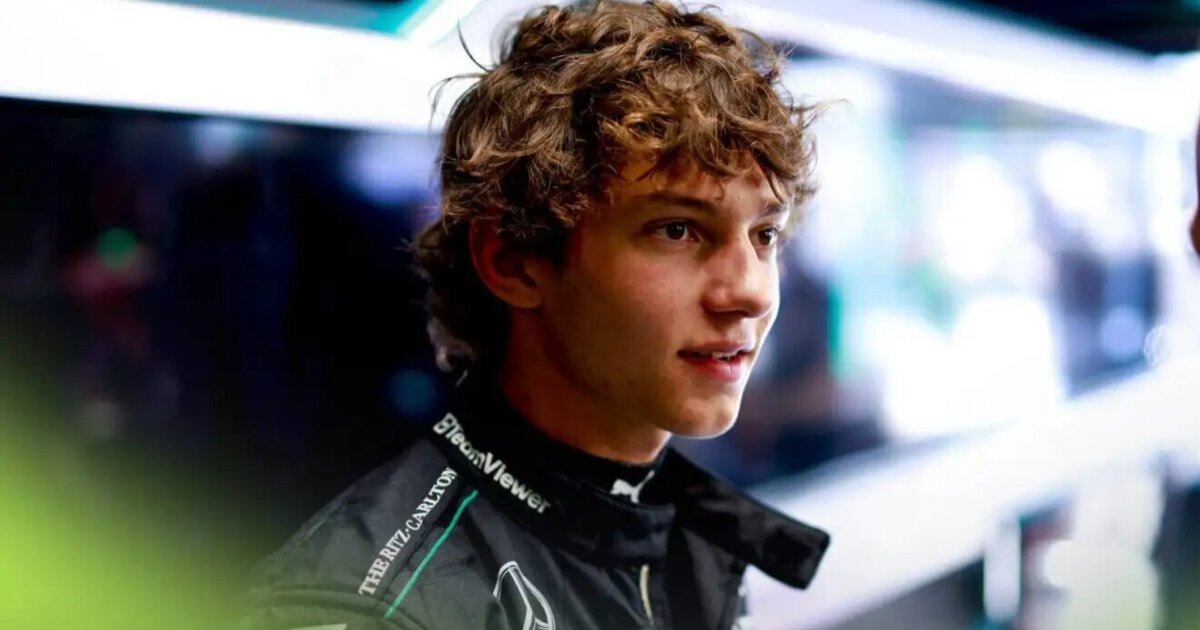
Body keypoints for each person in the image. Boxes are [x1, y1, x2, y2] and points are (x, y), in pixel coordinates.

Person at [238, 1, 829, 628]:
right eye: (677, 229)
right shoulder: (376, 609)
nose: (751, 292)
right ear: (515, 262)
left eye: (765, 235)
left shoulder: (682, 531)